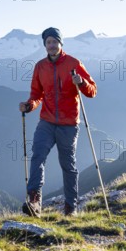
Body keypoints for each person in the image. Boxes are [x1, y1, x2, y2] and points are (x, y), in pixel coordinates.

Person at [19, 27, 97, 216]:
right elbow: (37, 94)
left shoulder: (73, 63)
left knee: (68, 165)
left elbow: (92, 91)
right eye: (48, 42)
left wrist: (82, 83)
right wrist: (30, 105)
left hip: (69, 124)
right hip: (46, 121)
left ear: (61, 44)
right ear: (45, 45)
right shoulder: (40, 66)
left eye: (55, 42)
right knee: (38, 155)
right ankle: (34, 200)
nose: (51, 45)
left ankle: (71, 207)